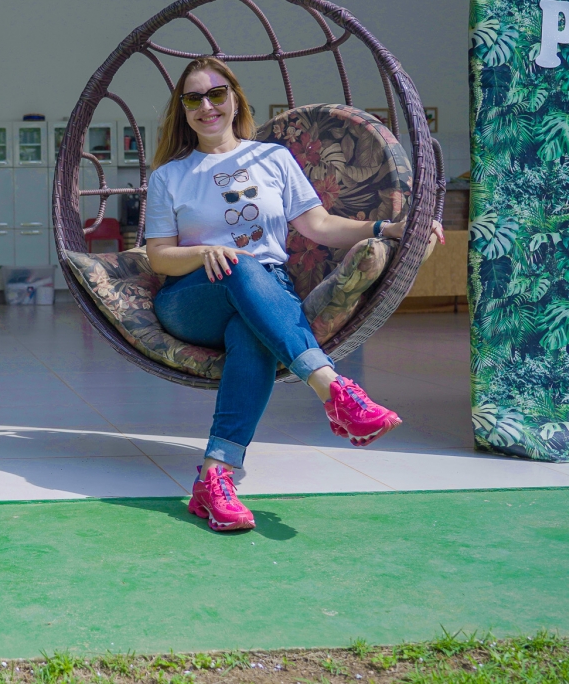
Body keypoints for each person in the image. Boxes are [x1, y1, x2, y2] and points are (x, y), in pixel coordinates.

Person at [144, 57, 443, 533]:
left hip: (265, 293)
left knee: (251, 333)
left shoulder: (273, 159)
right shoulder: (170, 176)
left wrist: (386, 228)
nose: (206, 106)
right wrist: (204, 253)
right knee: (240, 264)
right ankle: (333, 390)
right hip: (192, 298)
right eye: (193, 98)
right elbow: (159, 256)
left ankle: (215, 477)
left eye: (216, 94)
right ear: (183, 109)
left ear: (235, 98)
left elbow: (318, 225)